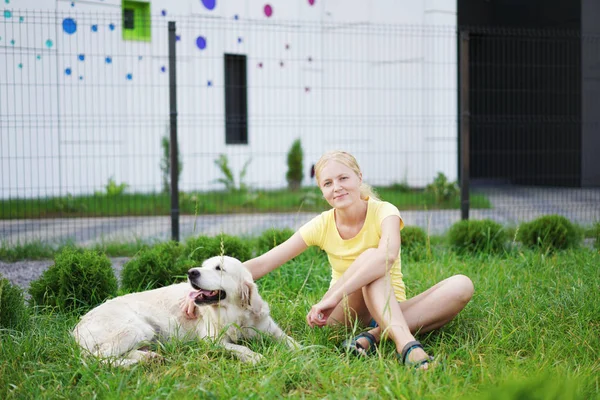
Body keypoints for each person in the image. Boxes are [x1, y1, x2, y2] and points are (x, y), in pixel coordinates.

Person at [182, 150, 474, 370]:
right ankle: (408, 347)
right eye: (327, 183)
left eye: (344, 178)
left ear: (359, 178)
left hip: (388, 305)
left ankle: (371, 337)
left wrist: (332, 295)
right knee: (371, 258)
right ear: (322, 191)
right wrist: (200, 289)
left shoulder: (385, 211)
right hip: (341, 312)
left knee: (461, 285)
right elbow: (261, 264)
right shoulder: (322, 224)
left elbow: (389, 255)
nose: (337, 187)